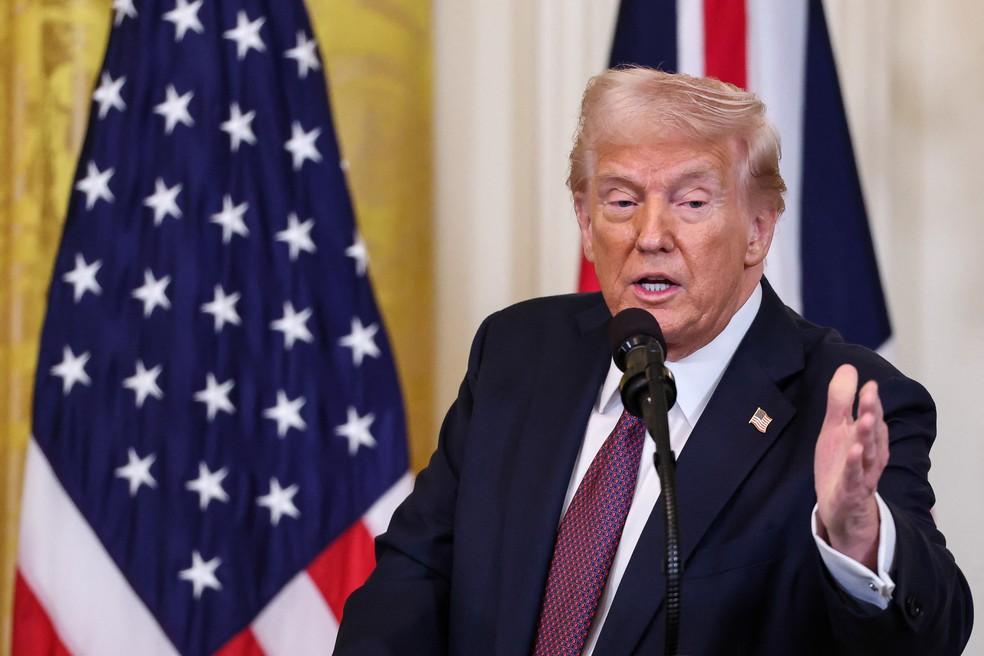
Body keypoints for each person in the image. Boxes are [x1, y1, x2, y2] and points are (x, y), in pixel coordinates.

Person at [334, 68, 973, 655]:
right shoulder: (517, 352)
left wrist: (858, 538)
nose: (651, 235)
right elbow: (412, 581)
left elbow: (933, 637)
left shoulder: (847, 401)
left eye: (692, 202)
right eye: (621, 201)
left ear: (758, 229)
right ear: (585, 222)